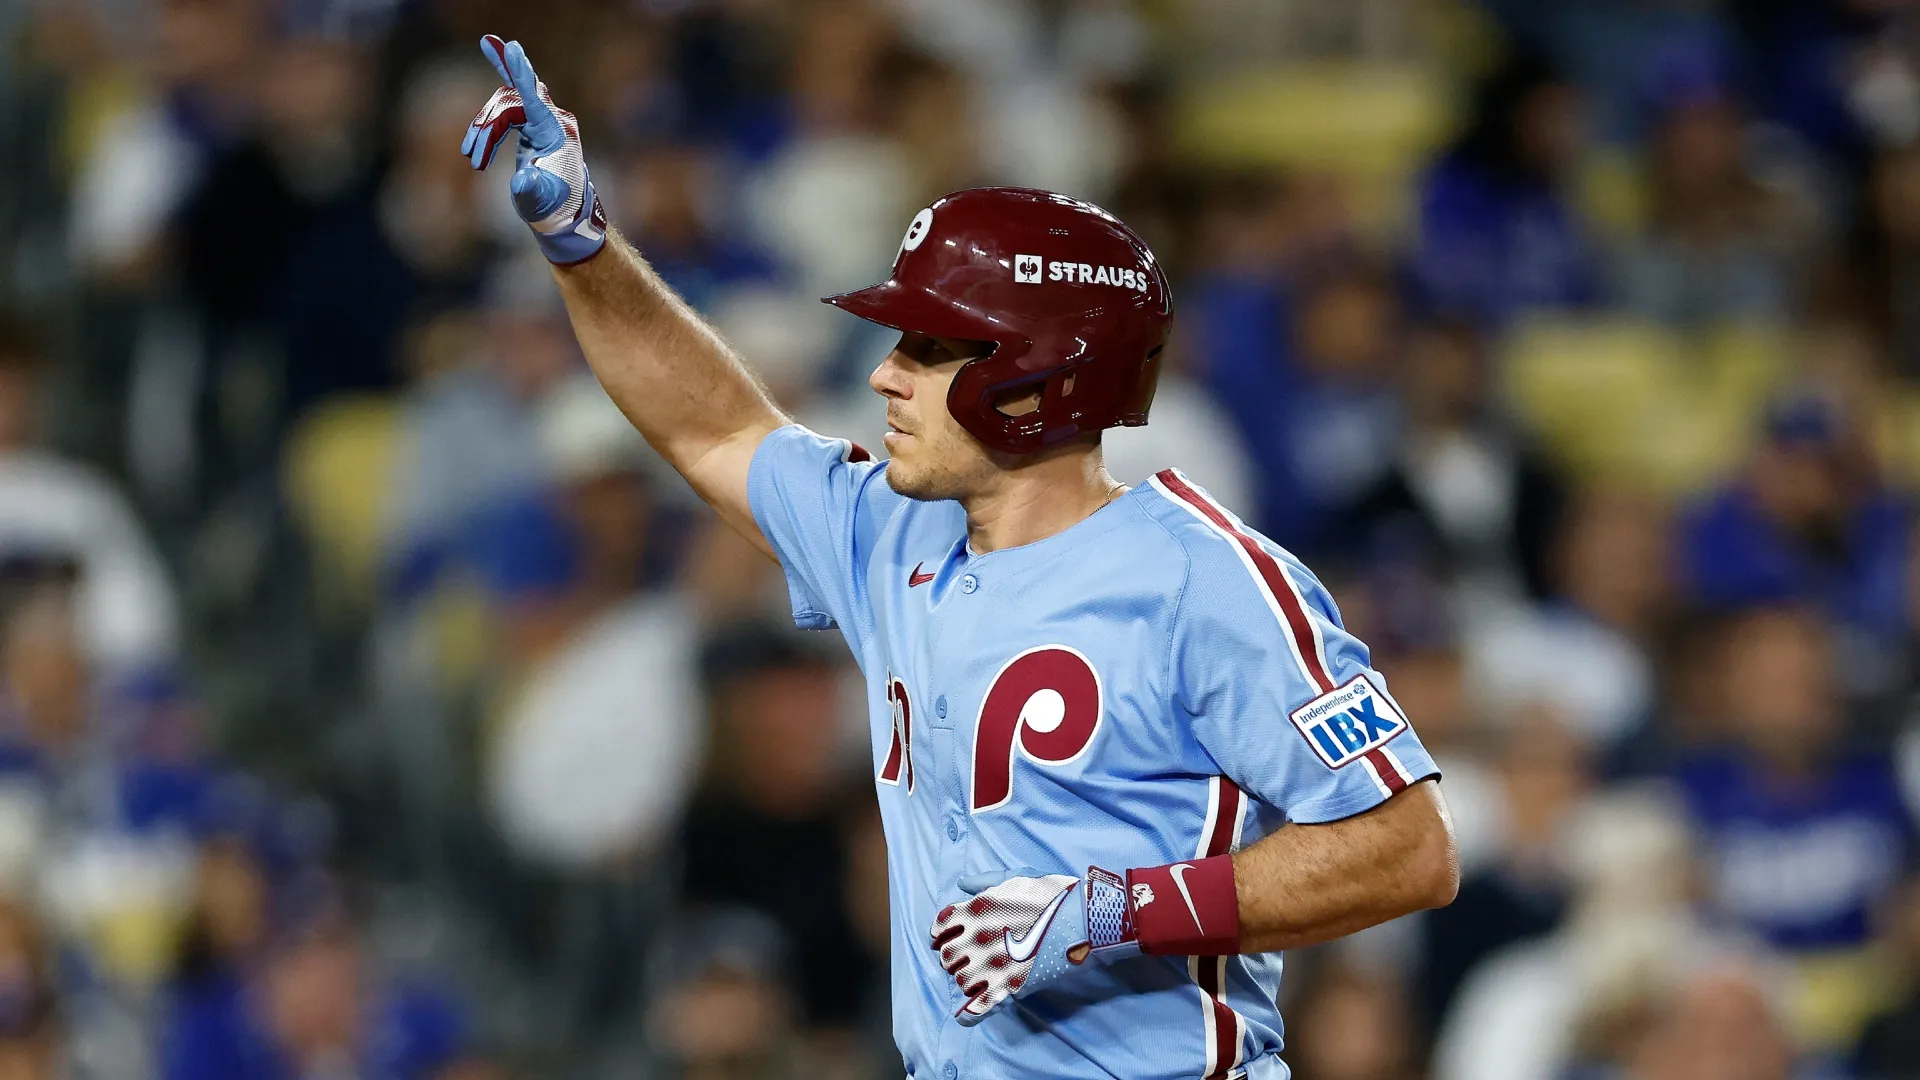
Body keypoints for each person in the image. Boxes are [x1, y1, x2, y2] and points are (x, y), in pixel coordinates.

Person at [460, 36, 1457, 1080]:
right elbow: (713, 428)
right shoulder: (888, 533)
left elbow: (1407, 847)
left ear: (1039, 379)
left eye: (930, 349)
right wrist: (583, 243)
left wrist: (1117, 909)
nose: (886, 375)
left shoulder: (1201, 578)